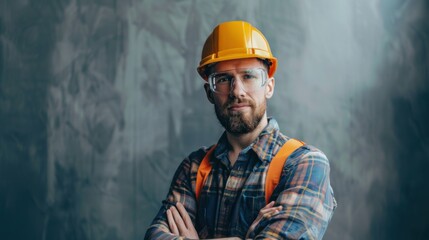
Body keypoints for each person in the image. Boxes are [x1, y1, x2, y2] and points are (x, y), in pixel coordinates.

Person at [144, 20, 336, 240]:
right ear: (209, 93)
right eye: (224, 79)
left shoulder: (305, 164)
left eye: (249, 76)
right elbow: (155, 236)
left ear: (269, 86)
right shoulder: (194, 169)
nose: (237, 91)